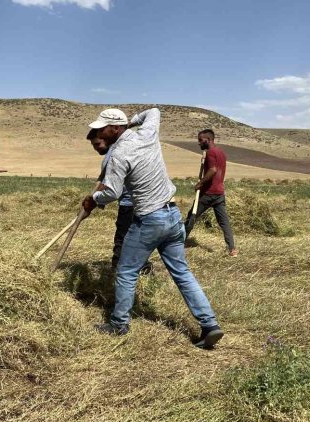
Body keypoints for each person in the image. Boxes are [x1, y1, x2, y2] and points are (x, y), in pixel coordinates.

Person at [80, 108, 224, 349]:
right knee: (182, 273)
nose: (97, 131)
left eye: (102, 128)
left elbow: (113, 192)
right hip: (173, 215)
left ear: (116, 129)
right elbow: (154, 112)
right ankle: (209, 324)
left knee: (126, 272)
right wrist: (131, 121)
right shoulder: (147, 134)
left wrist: (92, 199)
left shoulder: (119, 154)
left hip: (149, 219)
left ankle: (118, 324)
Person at [86, 128, 151, 274]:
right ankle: (142, 267)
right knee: (135, 238)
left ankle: (117, 273)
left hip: (130, 203)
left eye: (97, 144)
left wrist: (94, 201)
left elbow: (110, 187)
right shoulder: (118, 151)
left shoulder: (114, 155)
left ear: (106, 138)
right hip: (139, 203)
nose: (96, 149)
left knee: (122, 239)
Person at [184, 129, 238, 257]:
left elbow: (213, 170)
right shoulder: (221, 153)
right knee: (224, 222)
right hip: (219, 193)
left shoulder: (210, 153)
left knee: (192, 216)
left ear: (208, 140)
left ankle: (179, 241)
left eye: (200, 140)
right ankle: (232, 249)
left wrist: (200, 183)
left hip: (207, 194)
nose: (198, 143)